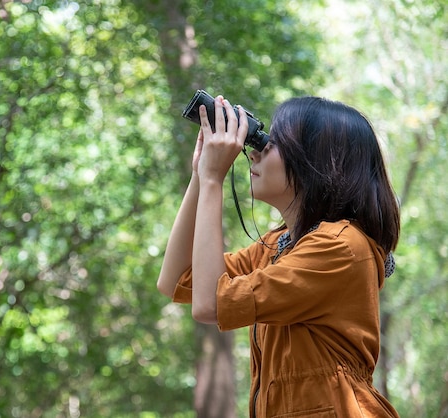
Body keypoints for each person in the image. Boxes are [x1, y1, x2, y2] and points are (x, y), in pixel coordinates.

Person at [157, 95, 400, 417]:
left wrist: (215, 179)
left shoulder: (340, 247)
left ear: (316, 163)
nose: (254, 153)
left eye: (272, 144)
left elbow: (210, 305)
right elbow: (177, 279)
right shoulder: (281, 244)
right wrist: (201, 176)